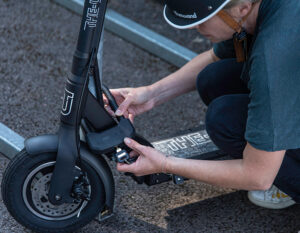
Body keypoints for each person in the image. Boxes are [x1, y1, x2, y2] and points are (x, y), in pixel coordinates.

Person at [104, 0, 300, 209]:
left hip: (281, 69)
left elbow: (257, 176)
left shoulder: (273, 58)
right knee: (213, 79)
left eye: (201, 21)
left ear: (242, 8)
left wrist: (164, 164)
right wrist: (151, 94)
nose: (193, 28)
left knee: (224, 122)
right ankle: (278, 158)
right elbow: (214, 57)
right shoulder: (250, 13)